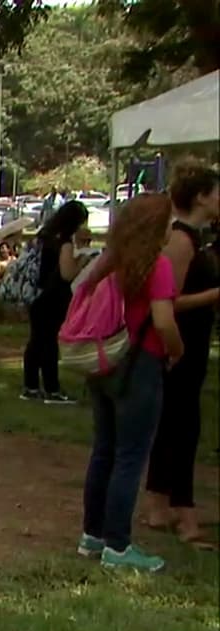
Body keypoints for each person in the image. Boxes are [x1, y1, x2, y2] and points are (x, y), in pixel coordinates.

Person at [76, 193, 184, 573]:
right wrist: (177, 350)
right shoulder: (158, 267)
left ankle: (93, 535)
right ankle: (118, 546)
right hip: (141, 365)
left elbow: (79, 290)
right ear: (156, 227)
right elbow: (164, 321)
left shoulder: (109, 262)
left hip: (103, 362)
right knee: (130, 455)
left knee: (104, 449)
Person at [144, 162, 220, 549]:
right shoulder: (181, 240)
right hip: (180, 347)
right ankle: (185, 514)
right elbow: (167, 302)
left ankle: (159, 505)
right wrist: (215, 295)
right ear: (202, 196)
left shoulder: (197, 237)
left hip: (191, 344)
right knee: (183, 428)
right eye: (217, 191)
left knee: (174, 424)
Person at [21, 200, 88, 403]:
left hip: (36, 293)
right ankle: (52, 389)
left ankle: (31, 386)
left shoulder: (44, 236)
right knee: (49, 343)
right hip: (53, 297)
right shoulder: (64, 242)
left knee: (36, 341)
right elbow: (67, 274)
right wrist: (83, 260)